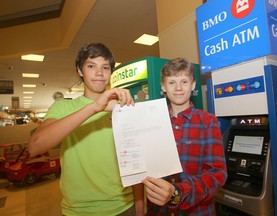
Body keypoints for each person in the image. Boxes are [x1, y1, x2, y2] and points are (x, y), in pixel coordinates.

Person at [28, 42, 144, 216]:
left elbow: (136, 157)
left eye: (105, 67)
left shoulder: (123, 107)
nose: (99, 73)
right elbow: (35, 146)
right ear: (80, 71)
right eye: (91, 66)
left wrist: (140, 204)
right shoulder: (62, 107)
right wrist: (95, 107)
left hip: (123, 206)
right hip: (78, 211)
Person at [142, 57, 227, 215]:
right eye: (172, 82)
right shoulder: (152, 121)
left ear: (193, 85)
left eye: (184, 82)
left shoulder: (208, 122)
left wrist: (178, 193)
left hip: (196, 211)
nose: (178, 88)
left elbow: (217, 174)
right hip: (159, 211)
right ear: (163, 86)